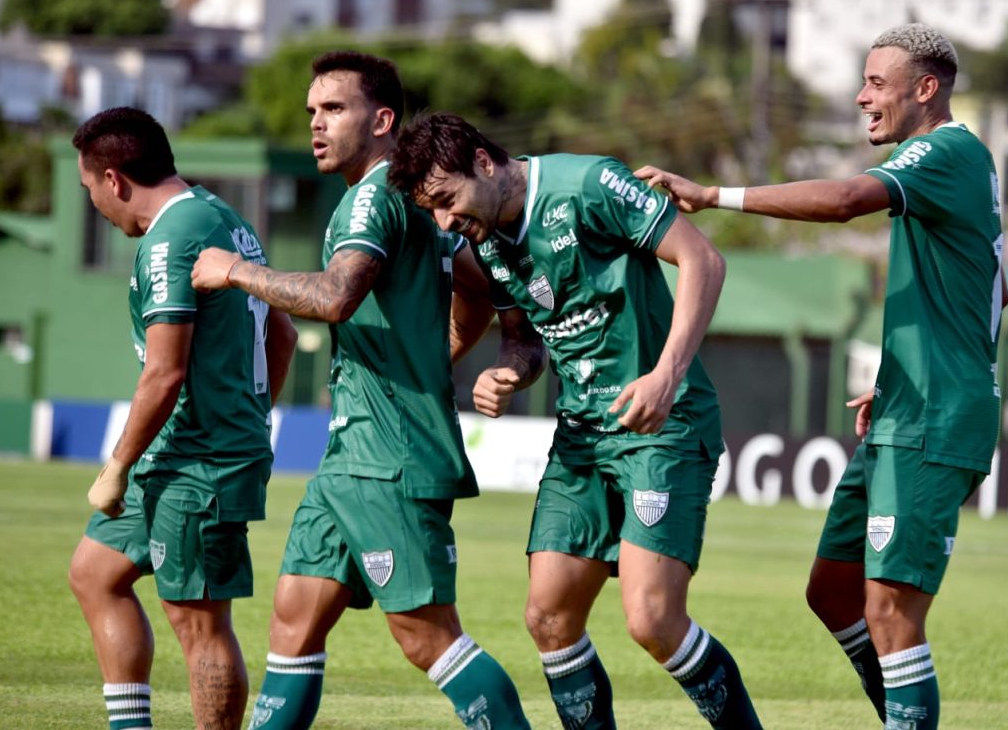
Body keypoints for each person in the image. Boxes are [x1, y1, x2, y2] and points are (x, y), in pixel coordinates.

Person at [636, 23, 1008, 730]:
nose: (862, 95)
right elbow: (995, 289)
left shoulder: (940, 150)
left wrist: (713, 194)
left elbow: (842, 200)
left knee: (891, 610)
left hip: (934, 416)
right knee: (834, 591)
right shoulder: (962, 165)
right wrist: (904, 368)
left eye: (876, 81)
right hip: (913, 401)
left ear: (924, 89)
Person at [190, 51, 534, 730]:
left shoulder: (375, 195)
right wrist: (439, 360)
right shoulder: (409, 200)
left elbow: (337, 296)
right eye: (312, 112)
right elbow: (487, 288)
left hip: (389, 459)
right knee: (294, 618)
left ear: (382, 119)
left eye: (334, 109)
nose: (316, 124)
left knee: (427, 637)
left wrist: (235, 270)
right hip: (352, 454)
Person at [387, 113, 765, 730]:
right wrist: (508, 371)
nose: (446, 222)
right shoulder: (484, 236)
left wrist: (665, 376)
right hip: (582, 436)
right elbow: (528, 341)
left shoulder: (587, 184)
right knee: (549, 618)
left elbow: (704, 260)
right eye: (433, 212)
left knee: (652, 620)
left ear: (484, 162)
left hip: (661, 426)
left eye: (448, 201)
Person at [68, 107, 298, 730]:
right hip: (180, 451)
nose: (95, 205)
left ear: (114, 179)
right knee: (96, 573)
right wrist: (248, 415)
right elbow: (281, 336)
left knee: (198, 623)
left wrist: (116, 465)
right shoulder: (224, 216)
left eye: (89, 190)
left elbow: (164, 372)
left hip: (201, 462)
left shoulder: (173, 236)